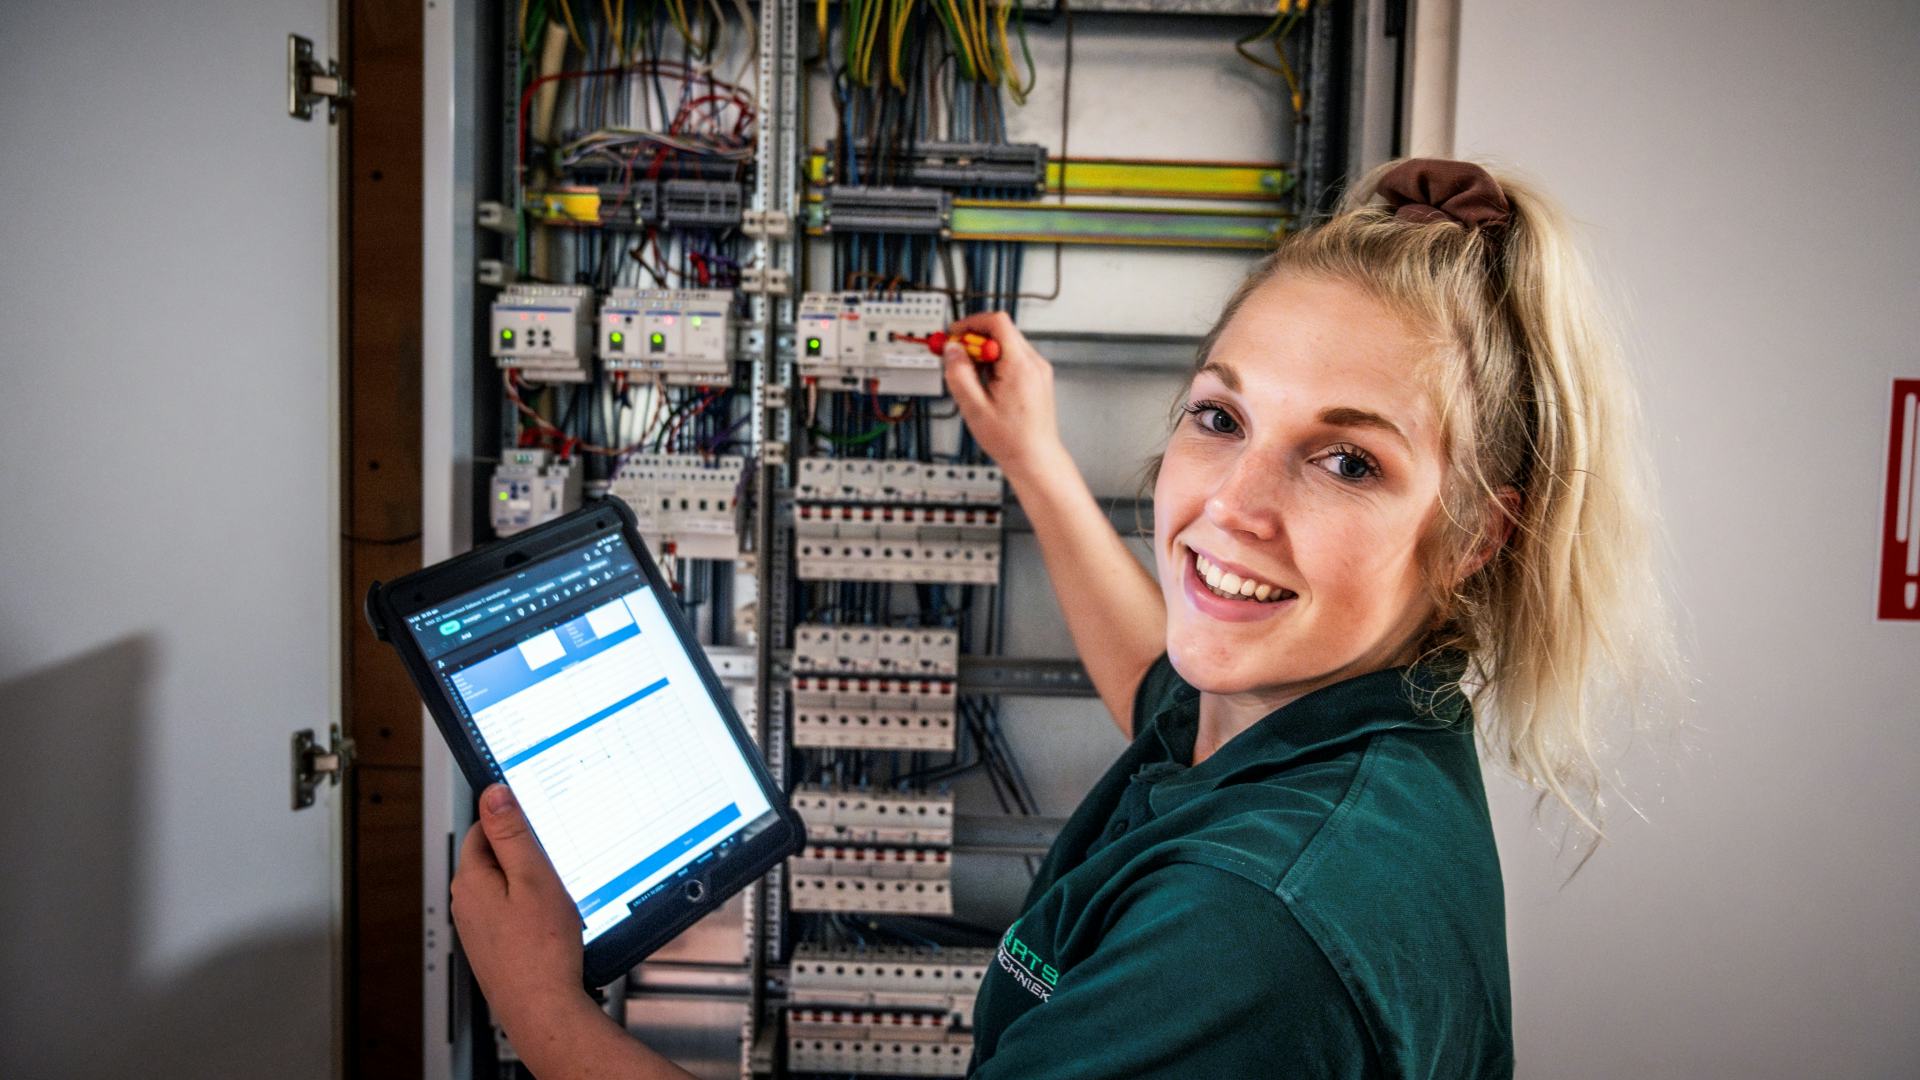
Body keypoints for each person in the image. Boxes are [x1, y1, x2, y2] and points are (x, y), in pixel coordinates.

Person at [447, 158, 1675, 1078]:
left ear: (1474, 535)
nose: (1230, 508)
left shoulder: (1251, 932)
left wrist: (544, 1012)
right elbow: (1160, 683)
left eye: (1346, 462)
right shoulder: (1337, 726)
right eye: (1220, 418)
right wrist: (1032, 457)